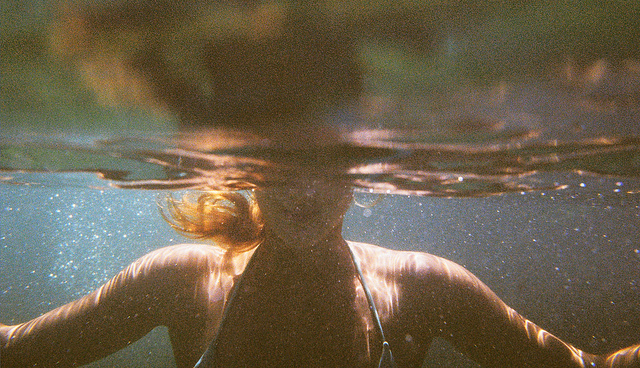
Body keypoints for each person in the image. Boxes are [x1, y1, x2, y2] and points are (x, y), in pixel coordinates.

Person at [1, 176, 639, 368]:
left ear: (359, 172)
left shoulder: (422, 283)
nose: (302, 184)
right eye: (282, 162)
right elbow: (24, 350)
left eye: (326, 160)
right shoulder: (185, 277)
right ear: (250, 170)